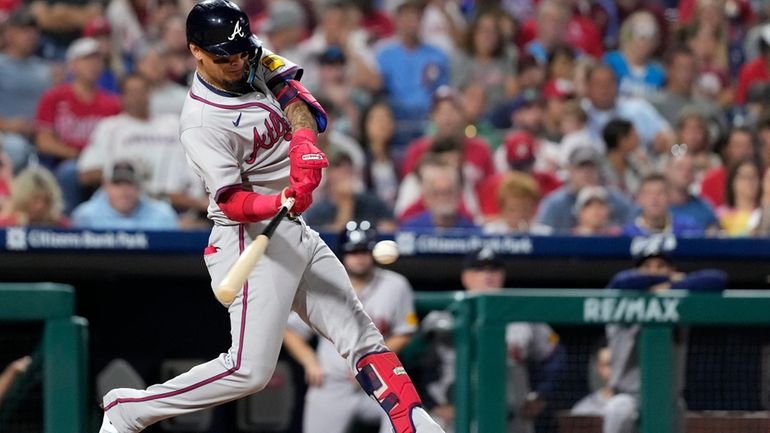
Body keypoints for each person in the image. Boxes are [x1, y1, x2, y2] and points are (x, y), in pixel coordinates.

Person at [99, 2, 446, 432]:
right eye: (226, 57)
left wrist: (302, 141)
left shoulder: (244, 51)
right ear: (196, 52)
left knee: (359, 334)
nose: (240, 61)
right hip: (247, 237)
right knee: (248, 371)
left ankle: (413, 423)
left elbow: (294, 94)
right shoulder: (201, 121)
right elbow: (230, 200)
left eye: (242, 51)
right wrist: (279, 198)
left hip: (291, 229)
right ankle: (130, 410)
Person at [283, 221, 418, 433]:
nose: (359, 257)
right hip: (332, 383)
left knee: (412, 418)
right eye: (353, 251)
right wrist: (310, 361)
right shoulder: (325, 285)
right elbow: (290, 330)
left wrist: (371, 364)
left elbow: (405, 331)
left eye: (364, 250)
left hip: (379, 382)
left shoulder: (396, 285)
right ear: (342, 255)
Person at [418, 247, 566, 433]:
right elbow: (414, 363)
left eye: (494, 270)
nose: (487, 276)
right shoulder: (442, 316)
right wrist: (431, 403)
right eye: (479, 270)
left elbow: (555, 357)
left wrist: (541, 395)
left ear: (503, 275)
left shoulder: (523, 317)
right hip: (454, 417)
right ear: (466, 277)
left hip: (512, 418)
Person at [602, 247, 728, 433]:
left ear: (672, 269)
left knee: (677, 406)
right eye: (647, 266)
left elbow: (717, 279)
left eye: (661, 266)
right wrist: (666, 279)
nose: (653, 270)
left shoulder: (679, 301)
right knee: (618, 409)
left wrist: (669, 288)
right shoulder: (620, 298)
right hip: (628, 397)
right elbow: (621, 281)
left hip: (668, 400)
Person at [34, 37, 122, 213]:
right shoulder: (54, 97)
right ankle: (70, 224)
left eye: (97, 59)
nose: (93, 64)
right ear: (72, 65)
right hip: (64, 163)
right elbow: (43, 141)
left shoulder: (112, 103)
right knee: (70, 171)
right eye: (86, 59)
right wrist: (79, 155)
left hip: (102, 163)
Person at [71, 160, 178, 230]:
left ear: (139, 186)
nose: (124, 190)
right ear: (105, 186)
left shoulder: (162, 214)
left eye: (129, 183)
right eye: (117, 184)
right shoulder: (86, 215)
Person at [623, 173, 703, 237]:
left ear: (669, 197)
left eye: (660, 193)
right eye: (648, 193)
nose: (654, 198)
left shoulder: (688, 229)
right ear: (639, 199)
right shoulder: (627, 234)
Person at [0, 166, 68, 227]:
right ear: (23, 199)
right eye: (35, 199)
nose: (40, 206)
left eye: (46, 200)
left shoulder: (59, 225)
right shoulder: (7, 225)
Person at [570, 345, 613, 416]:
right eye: (608, 364)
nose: (613, 370)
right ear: (598, 367)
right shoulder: (583, 410)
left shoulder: (635, 405)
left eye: (616, 363)